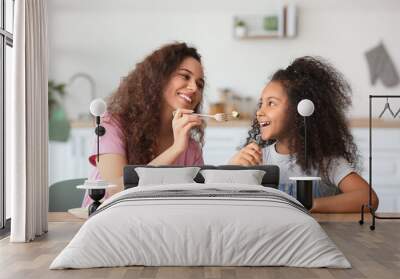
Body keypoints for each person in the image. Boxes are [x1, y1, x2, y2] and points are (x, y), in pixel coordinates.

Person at [229, 56, 379, 213]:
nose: (260, 112)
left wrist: (310, 205)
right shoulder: (257, 159)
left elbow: (369, 199)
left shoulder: (326, 162)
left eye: (271, 103)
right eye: (261, 104)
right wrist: (233, 167)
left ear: (300, 109)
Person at [82, 42, 205, 207]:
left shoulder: (190, 146)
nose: (193, 88)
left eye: (200, 84)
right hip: (105, 223)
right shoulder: (111, 125)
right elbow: (115, 191)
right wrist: (175, 150)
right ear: (159, 77)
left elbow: (198, 200)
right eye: (185, 76)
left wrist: (230, 169)